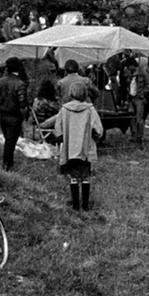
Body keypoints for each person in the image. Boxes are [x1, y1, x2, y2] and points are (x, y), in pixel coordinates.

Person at [42, 79, 103, 211]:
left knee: (73, 177)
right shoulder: (90, 109)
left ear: (71, 93)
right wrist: (95, 137)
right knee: (85, 176)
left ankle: (75, 205)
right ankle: (85, 205)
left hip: (70, 148)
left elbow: (58, 128)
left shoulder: (64, 109)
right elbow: (98, 129)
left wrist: (62, 138)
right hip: (86, 148)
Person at [0, 57, 29, 170]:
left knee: (7, 139)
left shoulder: (0, 81)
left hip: (3, 115)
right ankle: (7, 164)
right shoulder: (20, 83)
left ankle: (7, 163)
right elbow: (22, 102)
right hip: (14, 116)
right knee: (11, 141)